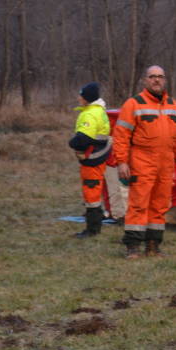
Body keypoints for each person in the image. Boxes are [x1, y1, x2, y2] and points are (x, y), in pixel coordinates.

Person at [111, 65, 176, 259]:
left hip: (166, 163)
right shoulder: (133, 104)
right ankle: (133, 247)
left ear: (165, 80)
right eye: (152, 77)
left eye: (160, 77)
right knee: (138, 204)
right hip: (141, 161)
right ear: (145, 80)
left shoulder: (173, 105)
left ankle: (153, 245)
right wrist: (122, 162)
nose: (157, 80)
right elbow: (121, 135)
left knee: (160, 205)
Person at [69, 82, 112, 239]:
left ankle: (92, 229)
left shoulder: (89, 114)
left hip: (91, 159)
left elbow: (83, 138)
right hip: (98, 158)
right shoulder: (99, 111)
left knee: (91, 194)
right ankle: (95, 225)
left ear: (87, 98)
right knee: (94, 191)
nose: (78, 98)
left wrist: (71, 143)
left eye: (81, 95)